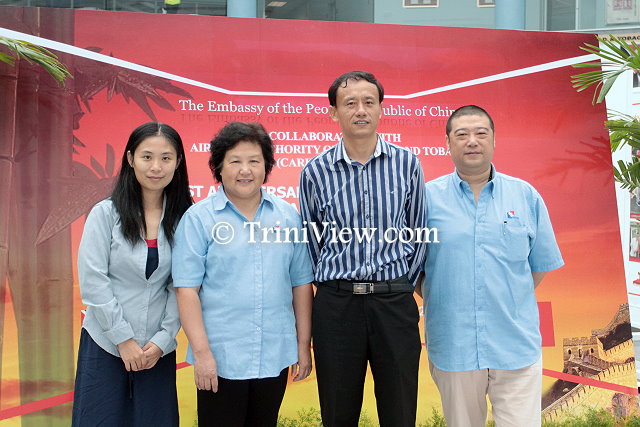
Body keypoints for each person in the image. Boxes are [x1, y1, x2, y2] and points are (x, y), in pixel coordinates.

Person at [420, 105, 564, 427]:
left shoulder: (525, 196)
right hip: (453, 344)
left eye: (481, 133)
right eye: (462, 134)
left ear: (494, 140)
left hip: (515, 343)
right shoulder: (425, 200)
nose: (472, 141)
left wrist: (506, 296)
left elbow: (538, 266)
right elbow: (414, 271)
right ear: (447, 143)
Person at [299, 71, 427, 427]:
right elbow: (311, 240)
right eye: (350, 103)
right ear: (334, 112)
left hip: (394, 304)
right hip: (336, 308)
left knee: (400, 411)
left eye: (369, 102)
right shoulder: (315, 171)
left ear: (381, 109)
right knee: (338, 412)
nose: (360, 110)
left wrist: (400, 284)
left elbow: (419, 232)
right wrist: (335, 285)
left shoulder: (407, 164)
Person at [172, 122, 313, 427]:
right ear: (219, 167)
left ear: (267, 167)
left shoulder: (288, 216)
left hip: (274, 355)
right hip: (220, 359)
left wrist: (303, 346)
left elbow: (301, 284)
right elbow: (186, 290)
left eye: (254, 161)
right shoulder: (199, 219)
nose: (245, 170)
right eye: (235, 161)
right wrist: (202, 354)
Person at [72, 122, 193, 426]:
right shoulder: (105, 214)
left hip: (156, 351)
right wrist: (123, 339)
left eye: (166, 158)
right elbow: (94, 280)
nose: (156, 167)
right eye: (147, 157)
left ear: (178, 162)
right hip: (105, 344)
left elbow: (183, 285)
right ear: (130, 158)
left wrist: (163, 340)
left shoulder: (186, 219)